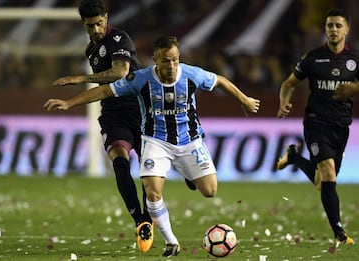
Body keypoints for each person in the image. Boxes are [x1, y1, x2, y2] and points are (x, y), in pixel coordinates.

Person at [44, 35, 260, 257]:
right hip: (156, 142)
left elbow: (220, 81)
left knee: (210, 191)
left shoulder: (192, 74)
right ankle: (171, 242)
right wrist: (69, 102)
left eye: (175, 59)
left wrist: (244, 99)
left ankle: (185, 170)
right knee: (152, 193)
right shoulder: (141, 79)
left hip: (190, 141)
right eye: (166, 60)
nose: (172, 65)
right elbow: (105, 91)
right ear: (155, 59)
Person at [52, 0, 153, 252]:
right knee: (119, 161)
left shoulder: (119, 39)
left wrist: (79, 78)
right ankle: (140, 220)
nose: (96, 29)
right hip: (112, 112)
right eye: (90, 25)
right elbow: (106, 90)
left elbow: (120, 73)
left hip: (138, 109)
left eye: (99, 23)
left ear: (106, 18)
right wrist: (69, 103)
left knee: (148, 171)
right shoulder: (91, 49)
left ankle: (148, 219)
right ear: (83, 25)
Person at [276, 8, 356, 246]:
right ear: (325, 29)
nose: (333, 30)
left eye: (338, 26)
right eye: (330, 25)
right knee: (328, 173)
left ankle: (295, 158)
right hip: (316, 123)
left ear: (347, 30)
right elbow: (288, 83)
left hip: (341, 127)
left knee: (324, 183)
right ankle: (339, 232)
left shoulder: (355, 60)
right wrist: (284, 102)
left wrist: (355, 88)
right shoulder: (313, 58)